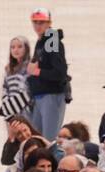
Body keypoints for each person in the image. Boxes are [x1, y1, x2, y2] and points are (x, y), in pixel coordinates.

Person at [26, 8, 69, 140]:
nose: (38, 26)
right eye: (35, 22)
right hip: (41, 95)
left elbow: (59, 73)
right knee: (38, 139)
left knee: (48, 141)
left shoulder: (51, 41)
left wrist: (37, 71)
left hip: (51, 95)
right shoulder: (43, 41)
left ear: (49, 23)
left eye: (41, 22)